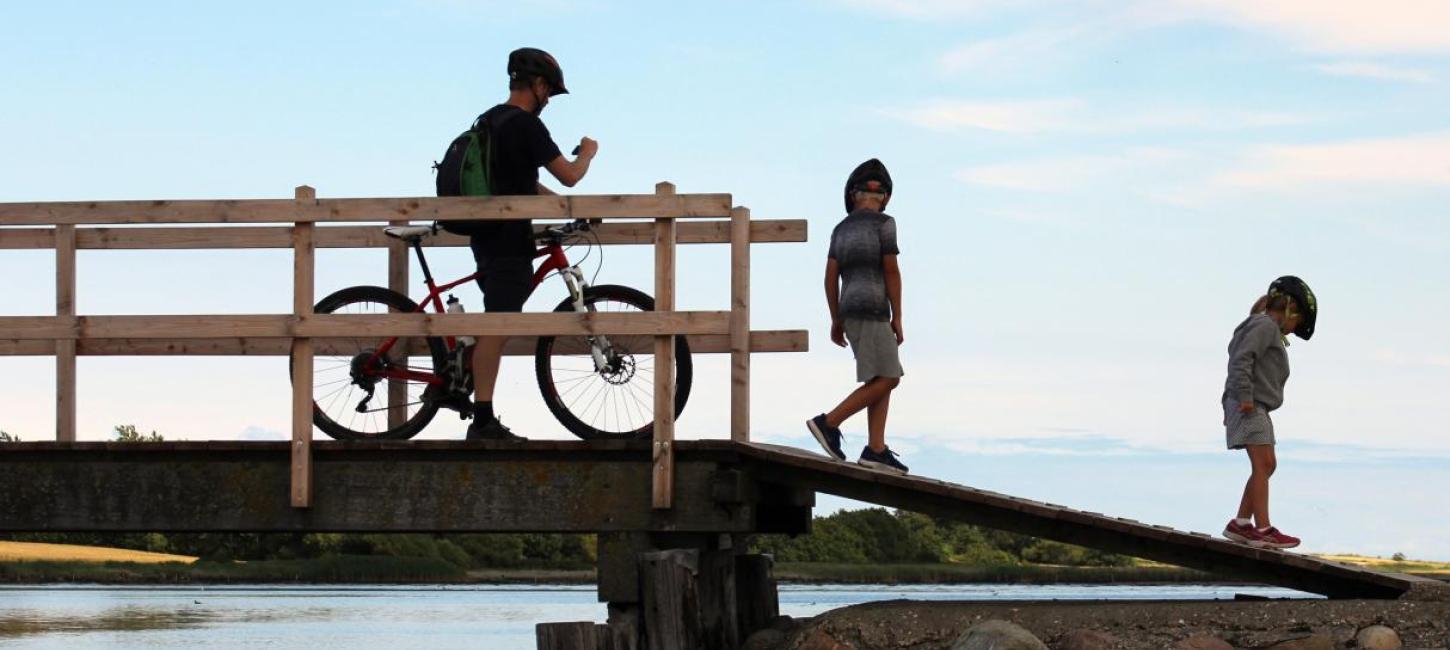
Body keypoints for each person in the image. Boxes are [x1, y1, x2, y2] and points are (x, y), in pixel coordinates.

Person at [464, 47, 598, 441]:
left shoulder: (489, 120)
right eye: (550, 94)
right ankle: (482, 420)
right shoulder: (526, 126)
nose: (549, 102)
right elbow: (570, 176)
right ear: (538, 86)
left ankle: (466, 383)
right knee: (498, 325)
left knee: (499, 319)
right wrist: (588, 153)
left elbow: (521, 186)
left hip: (487, 237)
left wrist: (562, 214)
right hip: (508, 239)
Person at [806, 159, 909, 475]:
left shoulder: (841, 229)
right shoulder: (884, 224)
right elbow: (891, 270)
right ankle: (829, 422)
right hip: (874, 309)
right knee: (890, 377)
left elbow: (829, 277)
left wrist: (836, 317)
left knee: (879, 377)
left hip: (850, 311)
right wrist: (898, 316)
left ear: (852, 195)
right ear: (886, 197)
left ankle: (876, 448)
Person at [1220, 276, 1318, 549]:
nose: (1292, 330)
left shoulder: (1265, 327)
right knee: (1263, 465)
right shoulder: (1263, 325)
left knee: (1268, 464)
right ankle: (1263, 529)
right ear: (1289, 310)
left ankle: (1241, 524)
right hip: (1249, 404)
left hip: (1254, 404)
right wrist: (1244, 397)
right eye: (1296, 323)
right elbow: (1240, 360)